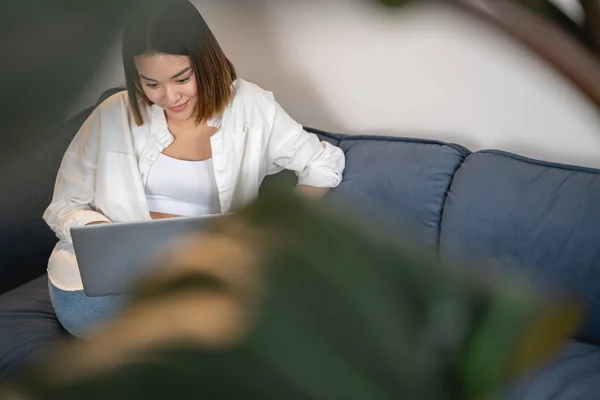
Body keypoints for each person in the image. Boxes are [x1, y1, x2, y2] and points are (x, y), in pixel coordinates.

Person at [42, 0, 345, 338]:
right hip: (106, 286)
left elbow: (323, 163)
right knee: (119, 318)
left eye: (181, 78)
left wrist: (272, 224)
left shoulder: (251, 107)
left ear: (205, 61)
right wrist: (103, 234)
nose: (170, 97)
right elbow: (63, 206)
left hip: (202, 272)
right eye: (151, 84)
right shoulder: (113, 114)